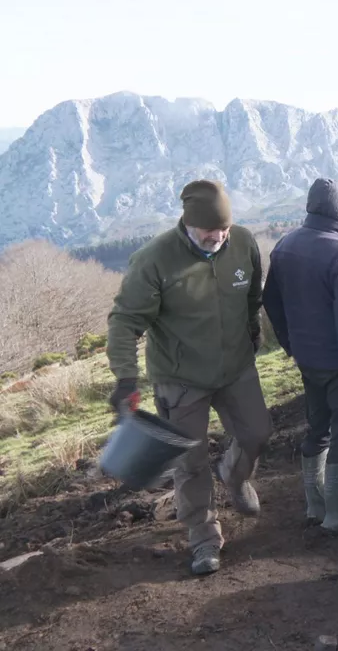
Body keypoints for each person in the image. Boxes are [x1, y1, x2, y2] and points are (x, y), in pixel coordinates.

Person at [106, 180, 271, 576]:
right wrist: (126, 380)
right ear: (188, 223)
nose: (217, 237)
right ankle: (204, 537)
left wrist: (252, 329)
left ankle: (233, 474)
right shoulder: (155, 260)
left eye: (224, 230)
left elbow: (252, 295)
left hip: (235, 368)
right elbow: (125, 321)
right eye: (208, 231)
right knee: (190, 460)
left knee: (257, 433)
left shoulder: (243, 243)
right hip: (180, 379)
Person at [262, 179, 338, 534]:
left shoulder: (285, 246)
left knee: (318, 427)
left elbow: (272, 302)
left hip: (308, 360)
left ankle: (315, 505)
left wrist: (290, 347)